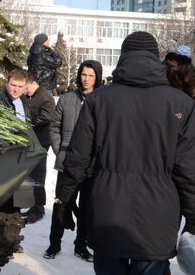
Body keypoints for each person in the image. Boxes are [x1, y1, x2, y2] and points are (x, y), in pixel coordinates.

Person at [56, 31, 195, 275]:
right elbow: (188, 169)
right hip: (157, 217)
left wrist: (64, 201)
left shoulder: (98, 100)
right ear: (155, 58)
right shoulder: (181, 104)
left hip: (108, 209)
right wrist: (193, 218)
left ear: (123, 58)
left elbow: (77, 159)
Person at [44, 59, 102, 262]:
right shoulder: (67, 99)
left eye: (91, 76)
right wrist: (60, 150)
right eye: (84, 74)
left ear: (97, 78)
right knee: (61, 204)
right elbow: (54, 127)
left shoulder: (101, 100)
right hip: (67, 162)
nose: (86, 79)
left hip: (90, 165)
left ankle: (81, 245)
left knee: (86, 207)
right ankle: (54, 243)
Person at [21, 73, 55, 224]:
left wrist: (27, 122)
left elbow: (46, 117)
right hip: (30, 141)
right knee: (29, 173)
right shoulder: (28, 97)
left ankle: (39, 207)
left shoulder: (46, 98)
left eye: (26, 87)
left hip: (41, 141)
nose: (25, 90)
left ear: (33, 83)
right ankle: (29, 203)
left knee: (39, 173)